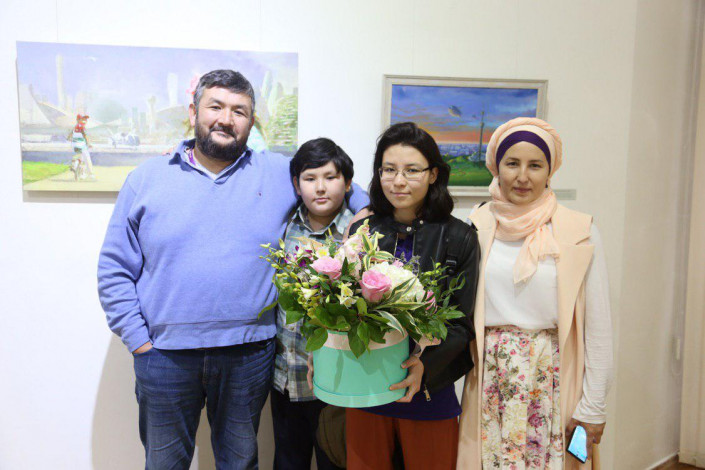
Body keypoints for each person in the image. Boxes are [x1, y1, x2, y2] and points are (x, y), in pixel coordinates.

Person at [97, 69, 368, 470]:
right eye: (216, 107)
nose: (226, 119)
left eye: (239, 111)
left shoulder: (277, 172)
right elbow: (114, 267)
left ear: (251, 122)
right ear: (194, 112)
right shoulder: (146, 179)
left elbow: (336, 179)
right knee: (165, 464)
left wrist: (364, 212)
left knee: (239, 463)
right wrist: (138, 340)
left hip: (249, 354)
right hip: (166, 355)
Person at [456, 117, 613, 469]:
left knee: (562, 462)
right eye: (512, 163)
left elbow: (599, 327)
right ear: (496, 167)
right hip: (491, 378)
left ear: (550, 170)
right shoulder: (477, 225)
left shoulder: (580, 230)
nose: (522, 176)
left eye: (535, 165)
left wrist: (593, 406)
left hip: (555, 375)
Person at [344, 122, 479, 470]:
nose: (398, 181)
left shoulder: (460, 237)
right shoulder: (363, 230)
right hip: (366, 384)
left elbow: (462, 323)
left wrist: (425, 367)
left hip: (429, 388)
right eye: (388, 170)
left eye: (412, 170)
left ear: (433, 174)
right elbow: (344, 305)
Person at [271, 138, 353, 470]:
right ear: (296, 184)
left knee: (336, 461)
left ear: (348, 183)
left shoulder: (358, 231)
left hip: (336, 380)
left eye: (330, 177)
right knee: (288, 461)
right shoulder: (284, 225)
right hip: (285, 377)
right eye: (310, 178)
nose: (320, 187)